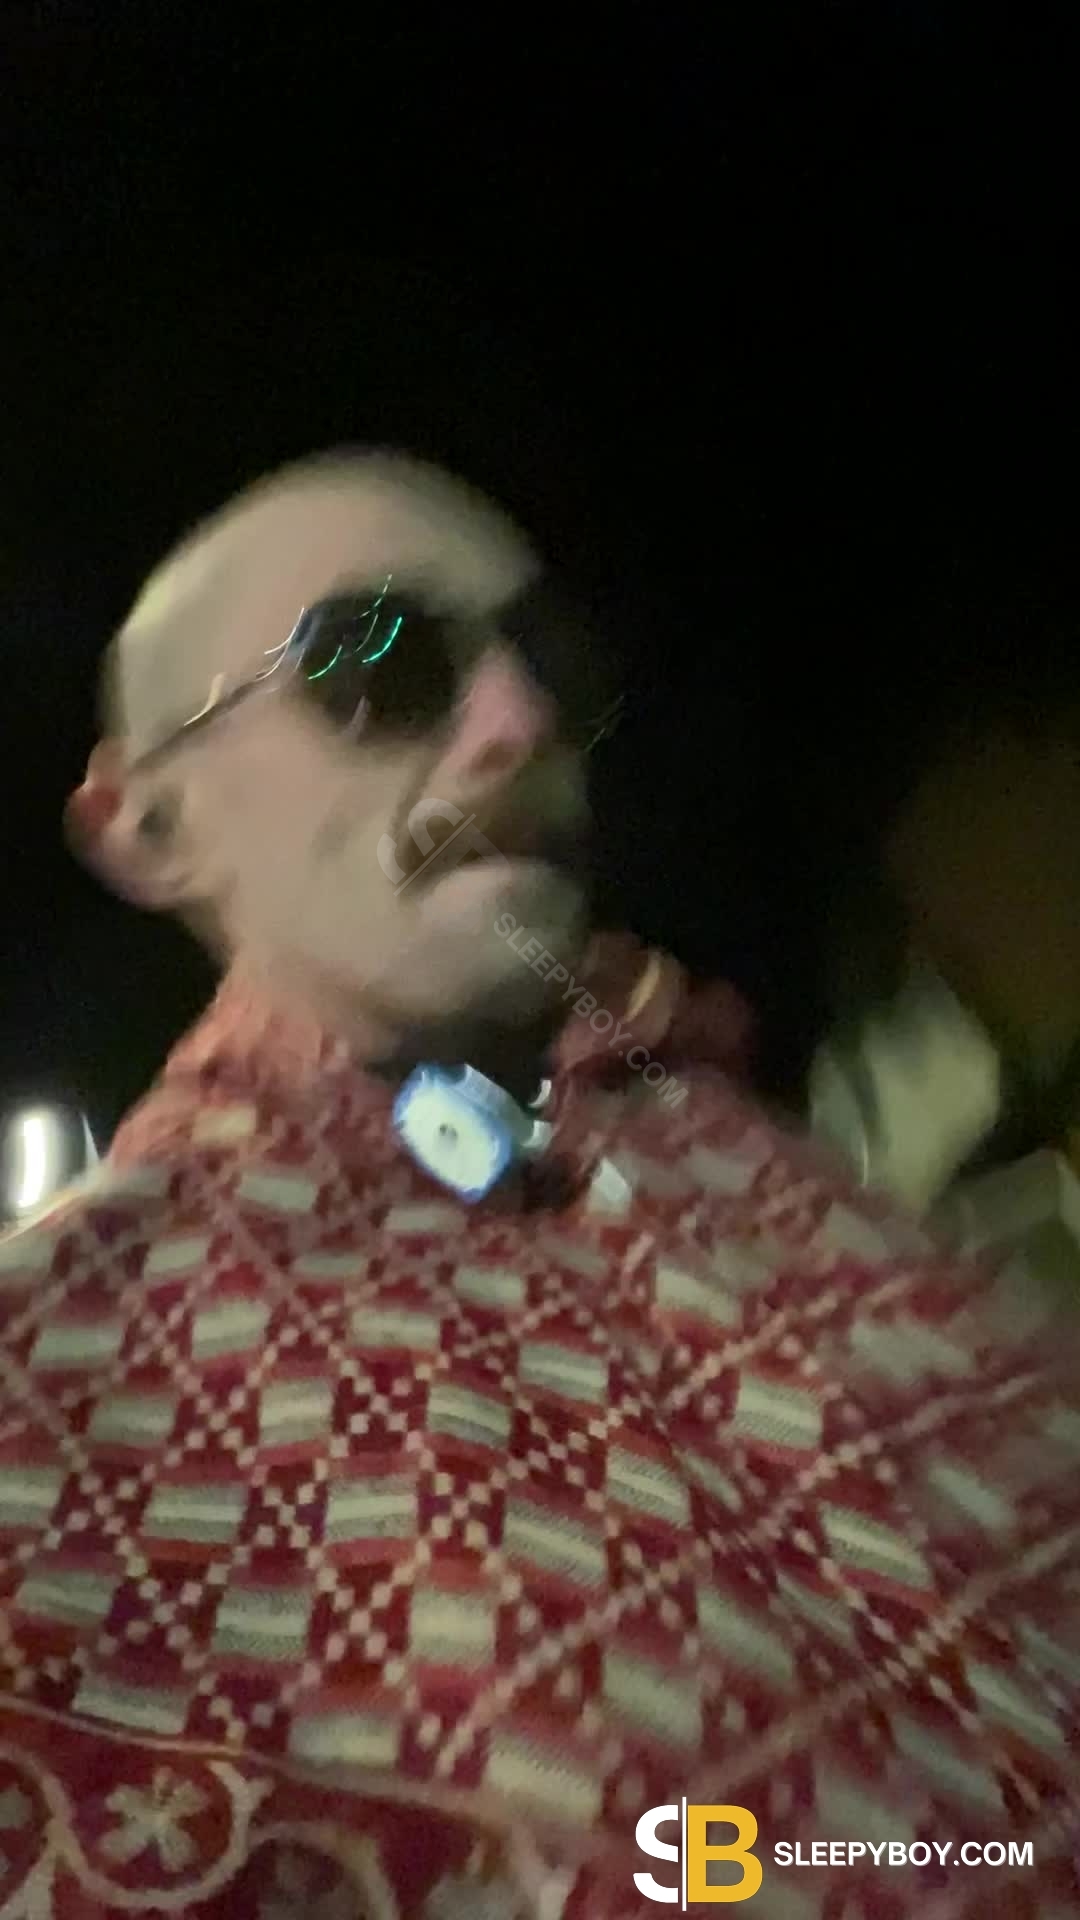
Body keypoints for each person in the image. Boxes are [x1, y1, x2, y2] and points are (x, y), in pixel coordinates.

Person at [0, 451, 1075, 1919]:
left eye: (549, 662)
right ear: (150, 825)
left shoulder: (723, 1138)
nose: (520, 721)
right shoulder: (69, 1373)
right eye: (376, 657)